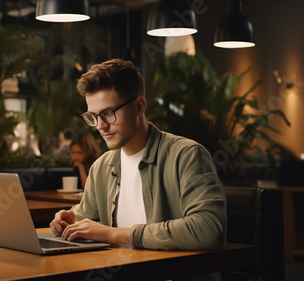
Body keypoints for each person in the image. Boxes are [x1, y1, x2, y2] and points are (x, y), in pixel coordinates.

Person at [50, 59, 226, 272]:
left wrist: (114, 234)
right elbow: (86, 216)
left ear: (139, 106)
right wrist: (68, 219)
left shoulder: (187, 155)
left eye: (107, 113)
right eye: (93, 117)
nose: (100, 126)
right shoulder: (101, 168)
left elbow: (209, 230)